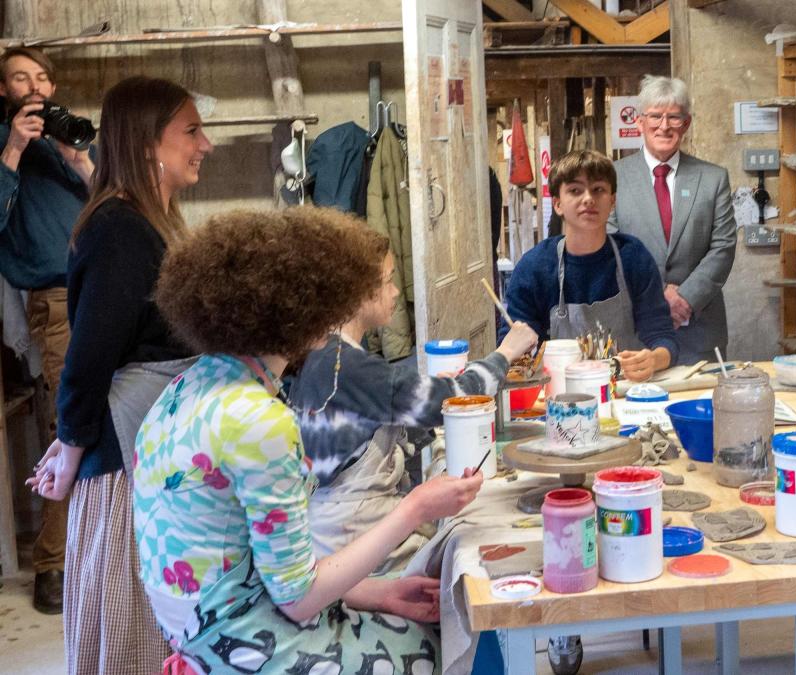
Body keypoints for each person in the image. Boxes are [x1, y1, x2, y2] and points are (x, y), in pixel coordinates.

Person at [134, 207, 485, 672]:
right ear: (306, 310)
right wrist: (415, 508)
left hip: (210, 638)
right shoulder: (258, 420)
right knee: (442, 645)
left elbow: (267, 568)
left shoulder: (184, 391)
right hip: (252, 650)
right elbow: (297, 599)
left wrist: (380, 593)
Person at [26, 76, 212, 674]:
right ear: (148, 142)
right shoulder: (119, 230)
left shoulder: (152, 222)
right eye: (191, 131)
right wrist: (72, 450)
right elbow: (88, 359)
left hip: (152, 448)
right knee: (135, 626)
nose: (204, 144)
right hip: (128, 464)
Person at [291, 224, 537, 571]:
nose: (394, 292)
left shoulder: (324, 354)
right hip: (354, 542)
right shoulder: (347, 366)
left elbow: (379, 422)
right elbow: (453, 398)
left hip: (342, 530)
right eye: (388, 281)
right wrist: (505, 352)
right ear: (359, 292)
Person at [0, 46, 93, 615]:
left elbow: (119, 200)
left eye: (40, 78)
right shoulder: (6, 147)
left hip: (104, 288)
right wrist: (13, 146)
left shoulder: (66, 140)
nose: (33, 86)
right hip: (55, 298)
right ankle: (51, 565)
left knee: (120, 420)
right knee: (70, 424)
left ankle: (105, 553)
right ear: (5, 91)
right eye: (18, 78)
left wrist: (79, 158)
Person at [503, 149, 678, 383]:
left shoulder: (633, 257)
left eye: (598, 190)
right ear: (557, 204)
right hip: (559, 395)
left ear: (612, 201)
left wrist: (654, 359)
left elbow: (663, 336)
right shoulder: (535, 267)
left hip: (627, 392)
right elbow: (511, 347)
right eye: (575, 191)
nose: (588, 199)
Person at [608, 75, 736, 365]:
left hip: (700, 331)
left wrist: (685, 299)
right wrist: (658, 294)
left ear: (686, 124)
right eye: (655, 116)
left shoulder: (713, 178)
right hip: (637, 332)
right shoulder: (612, 177)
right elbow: (612, 248)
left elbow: (723, 248)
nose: (664, 126)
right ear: (639, 122)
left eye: (674, 117)